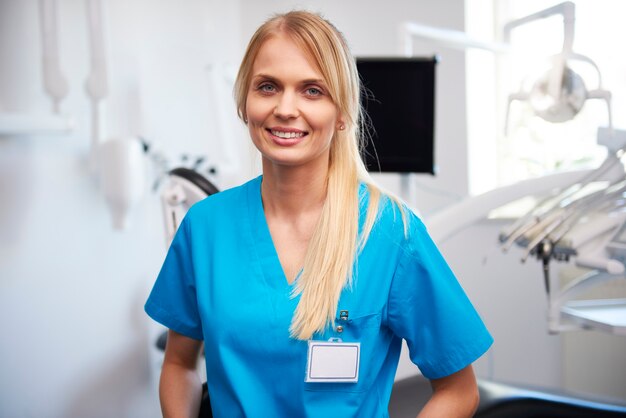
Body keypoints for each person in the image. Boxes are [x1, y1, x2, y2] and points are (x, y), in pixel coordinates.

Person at [145, 10, 493, 418]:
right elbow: (179, 364)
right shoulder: (205, 227)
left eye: (312, 90)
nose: (286, 108)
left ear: (342, 112)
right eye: (268, 87)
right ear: (244, 103)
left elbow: (457, 389)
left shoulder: (389, 233)